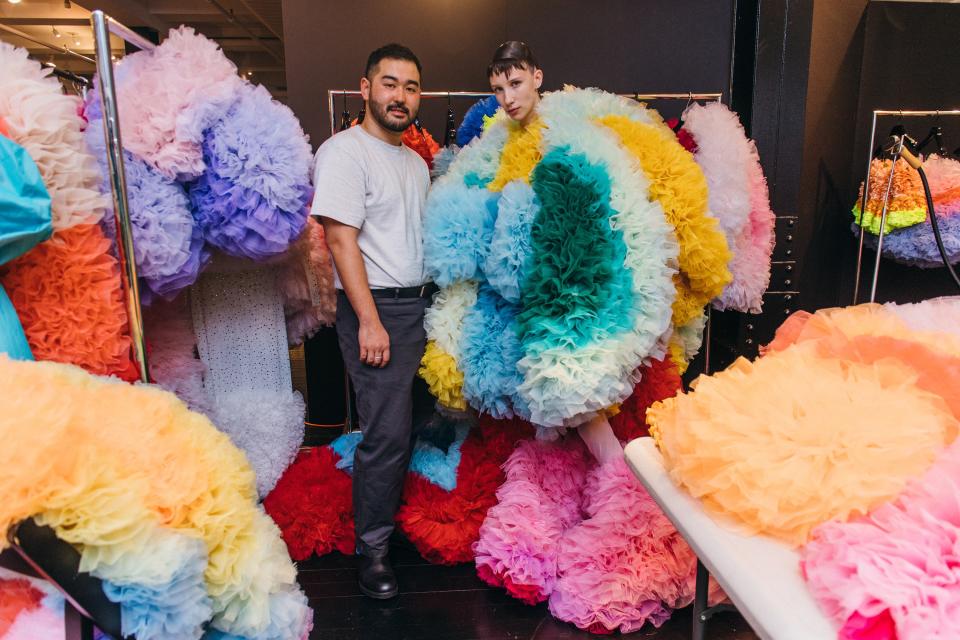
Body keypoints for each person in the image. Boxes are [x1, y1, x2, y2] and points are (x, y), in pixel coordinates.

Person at [311, 43, 436, 600]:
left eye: (410, 87)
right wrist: (368, 320)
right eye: (389, 84)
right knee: (385, 435)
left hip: (421, 305)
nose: (400, 96)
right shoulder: (344, 152)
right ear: (365, 89)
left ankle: (395, 524)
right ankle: (374, 550)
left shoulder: (413, 162)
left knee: (417, 424)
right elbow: (340, 239)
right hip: (377, 308)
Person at [486, 41, 624, 463]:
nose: (507, 98)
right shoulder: (513, 138)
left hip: (569, 285)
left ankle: (627, 496)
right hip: (537, 285)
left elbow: (583, 212)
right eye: (498, 89)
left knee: (574, 394)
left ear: (538, 78)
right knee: (556, 400)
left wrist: (566, 291)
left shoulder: (560, 130)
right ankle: (586, 493)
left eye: (515, 83)